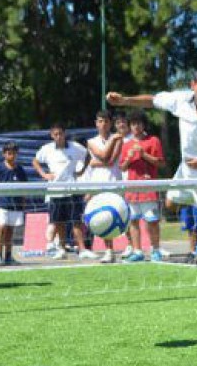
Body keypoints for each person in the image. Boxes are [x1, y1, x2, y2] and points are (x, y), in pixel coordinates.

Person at [107, 67, 197, 298]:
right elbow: (153, 100)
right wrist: (124, 100)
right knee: (169, 203)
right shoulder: (180, 100)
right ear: (193, 86)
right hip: (185, 172)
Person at [32, 123, 90, 260]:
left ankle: (82, 249)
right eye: (55, 134)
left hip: (72, 189)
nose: (58, 137)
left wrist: (81, 170)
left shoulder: (75, 147)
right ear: (52, 135)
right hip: (55, 190)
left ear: (65, 134)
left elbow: (88, 156)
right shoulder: (46, 149)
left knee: (76, 221)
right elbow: (35, 161)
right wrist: (44, 174)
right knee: (59, 222)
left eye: (60, 134)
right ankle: (62, 249)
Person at [119, 110, 165, 262]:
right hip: (132, 189)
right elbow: (122, 167)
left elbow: (161, 163)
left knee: (152, 221)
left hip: (148, 189)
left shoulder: (153, 141)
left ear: (144, 124)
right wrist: (129, 157)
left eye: (139, 123)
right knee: (133, 220)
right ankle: (137, 251)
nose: (136, 127)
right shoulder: (126, 145)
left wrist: (144, 154)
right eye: (133, 124)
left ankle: (155, 249)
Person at [83, 110, 123, 263]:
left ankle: (133, 248)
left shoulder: (118, 139)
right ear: (96, 123)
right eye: (100, 121)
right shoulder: (91, 141)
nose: (103, 124)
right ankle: (109, 250)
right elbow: (105, 157)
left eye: (106, 121)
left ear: (110, 123)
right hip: (98, 184)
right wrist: (112, 141)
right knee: (105, 217)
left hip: (115, 183)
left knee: (122, 215)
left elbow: (111, 161)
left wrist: (95, 162)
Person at [0, 141, 28, 265]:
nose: (12, 155)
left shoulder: (20, 169)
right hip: (1, 203)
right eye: (9, 153)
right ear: (4, 154)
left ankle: (8, 256)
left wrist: (23, 202)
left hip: (15, 204)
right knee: (1, 227)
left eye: (14, 153)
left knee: (10, 231)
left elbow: (24, 188)